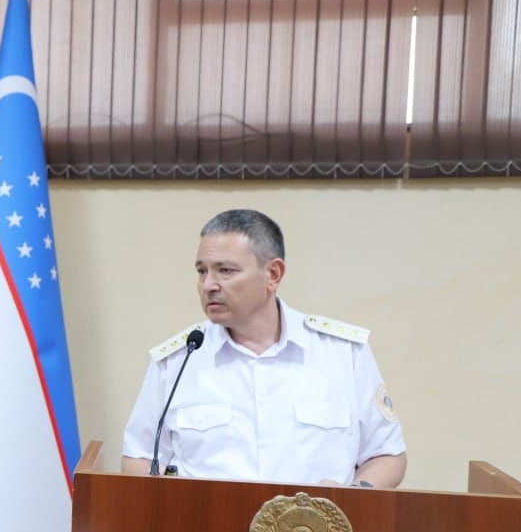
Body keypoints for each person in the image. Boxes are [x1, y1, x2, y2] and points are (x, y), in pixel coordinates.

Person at [121, 209, 406, 487]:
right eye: (201, 271)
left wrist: (353, 499)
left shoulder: (343, 353)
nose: (208, 285)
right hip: (205, 531)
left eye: (225, 270)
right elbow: (139, 457)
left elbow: (386, 454)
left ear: (273, 274)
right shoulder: (177, 361)